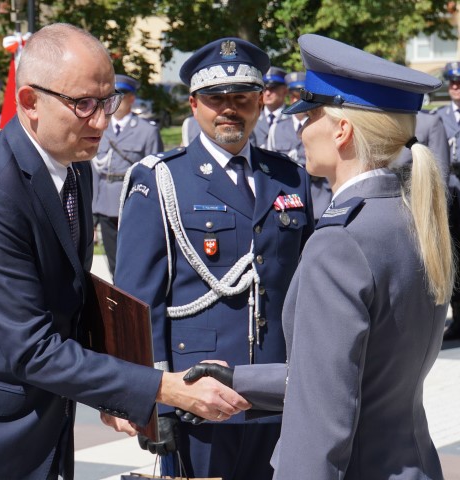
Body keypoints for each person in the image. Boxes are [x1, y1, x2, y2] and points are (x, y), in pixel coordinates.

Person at [0, 23, 251, 480]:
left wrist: (115, 392)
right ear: (30, 102)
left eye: (107, 101)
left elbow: (71, 302)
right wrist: (163, 387)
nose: (100, 120)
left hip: (37, 422)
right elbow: (33, 349)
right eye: (82, 105)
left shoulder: (74, 167)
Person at [189, 33, 453, 479]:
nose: (300, 127)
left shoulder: (341, 242)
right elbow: (359, 373)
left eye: (309, 114)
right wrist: (241, 380)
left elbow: (321, 419)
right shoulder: (407, 218)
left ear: (342, 130)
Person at [115, 38, 315, 479]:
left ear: (261, 101)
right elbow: (138, 303)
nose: (229, 108)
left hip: (277, 391)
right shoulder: (162, 179)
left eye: (241, 97)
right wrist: (155, 402)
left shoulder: (289, 177)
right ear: (193, 104)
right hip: (198, 398)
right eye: (215, 98)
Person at [92, 74, 163, 278]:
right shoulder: (99, 127)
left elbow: (155, 174)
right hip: (104, 203)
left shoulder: (146, 131)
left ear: (132, 98)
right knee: (113, 263)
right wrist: (92, 211)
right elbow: (94, 171)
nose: (117, 100)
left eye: (122, 95)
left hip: (133, 203)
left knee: (135, 261)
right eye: (112, 96)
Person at [273, 71, 332, 221]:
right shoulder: (277, 128)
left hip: (319, 197)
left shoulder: (322, 125)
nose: (296, 100)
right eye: (294, 96)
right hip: (289, 197)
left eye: (301, 97)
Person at [431, 61, 460, 340]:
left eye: (459, 83)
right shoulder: (440, 117)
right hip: (453, 196)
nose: (455, 87)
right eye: (451, 83)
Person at [251, 66, 289, 150]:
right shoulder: (252, 119)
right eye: (264, 88)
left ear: (285, 91)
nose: (267, 93)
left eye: (273, 88)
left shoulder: (295, 119)